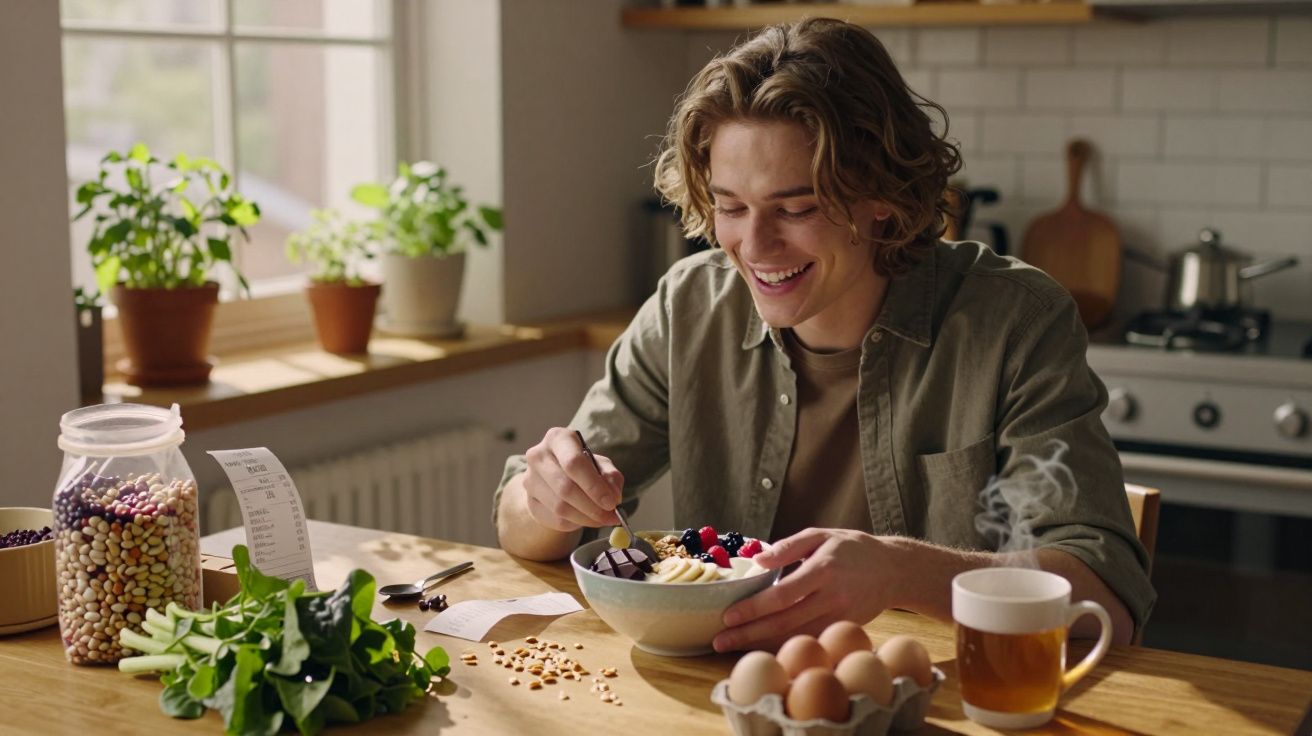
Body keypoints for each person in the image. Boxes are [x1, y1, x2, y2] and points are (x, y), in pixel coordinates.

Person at [493, 17, 1154, 652]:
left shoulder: (1014, 321)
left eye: (797, 207)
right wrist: (546, 497)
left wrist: (902, 571)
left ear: (883, 195)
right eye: (730, 206)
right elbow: (517, 524)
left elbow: (1108, 603)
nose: (755, 245)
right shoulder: (688, 307)